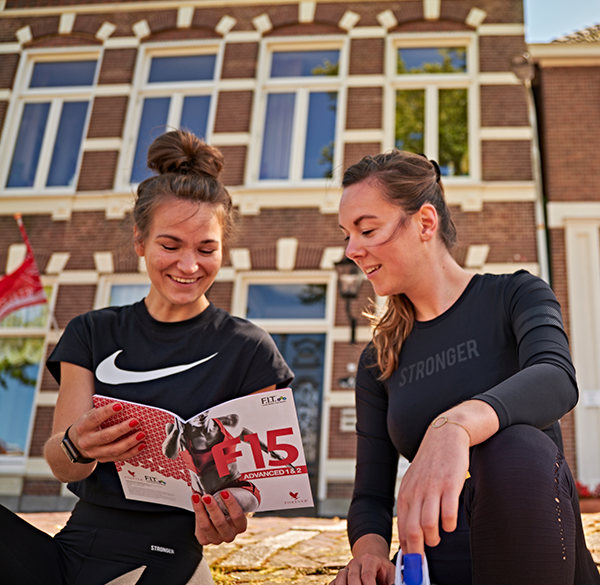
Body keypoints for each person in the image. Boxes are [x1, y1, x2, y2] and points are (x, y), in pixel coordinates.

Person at [0, 129, 293, 585]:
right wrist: (77, 444)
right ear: (140, 240)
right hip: (74, 548)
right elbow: (61, 464)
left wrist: (233, 511)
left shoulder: (250, 349)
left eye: (207, 249)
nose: (189, 265)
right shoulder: (92, 331)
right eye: (170, 246)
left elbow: (251, 484)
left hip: (169, 555)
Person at [332, 150, 600, 585]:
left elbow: (556, 377)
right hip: (432, 563)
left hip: (535, 545)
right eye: (347, 235)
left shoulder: (515, 295)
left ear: (425, 222)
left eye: (367, 230)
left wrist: (455, 426)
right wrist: (369, 555)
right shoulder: (377, 359)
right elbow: (370, 495)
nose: (352, 250)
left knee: (514, 446)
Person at [162, 409, 294, 514]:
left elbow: (243, 432)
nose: (200, 415)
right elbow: (170, 455)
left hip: (236, 488)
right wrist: (177, 431)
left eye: (203, 410)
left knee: (217, 503)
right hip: (200, 495)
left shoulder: (228, 422)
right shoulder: (176, 432)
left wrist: (270, 451)